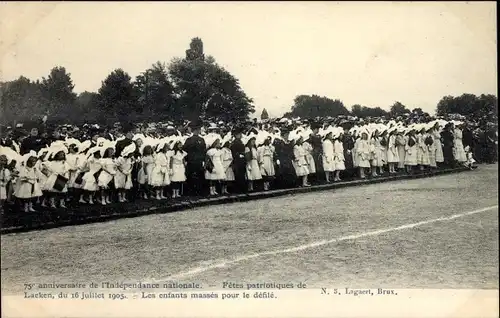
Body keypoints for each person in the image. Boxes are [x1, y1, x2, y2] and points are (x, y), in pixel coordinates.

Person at [183, 122, 207, 196]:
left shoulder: (200, 139)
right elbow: (185, 150)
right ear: (196, 130)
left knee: (198, 176)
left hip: (196, 161)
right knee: (194, 176)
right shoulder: (189, 140)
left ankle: (197, 191)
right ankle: (194, 191)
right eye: (198, 129)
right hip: (193, 161)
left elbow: (203, 151)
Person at [230, 127, 247, 193]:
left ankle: (242, 189)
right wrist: (240, 155)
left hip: (241, 160)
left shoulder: (240, 141)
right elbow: (234, 152)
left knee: (242, 174)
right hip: (238, 160)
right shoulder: (235, 142)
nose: (241, 135)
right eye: (239, 134)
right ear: (236, 135)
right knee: (239, 175)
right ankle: (240, 189)